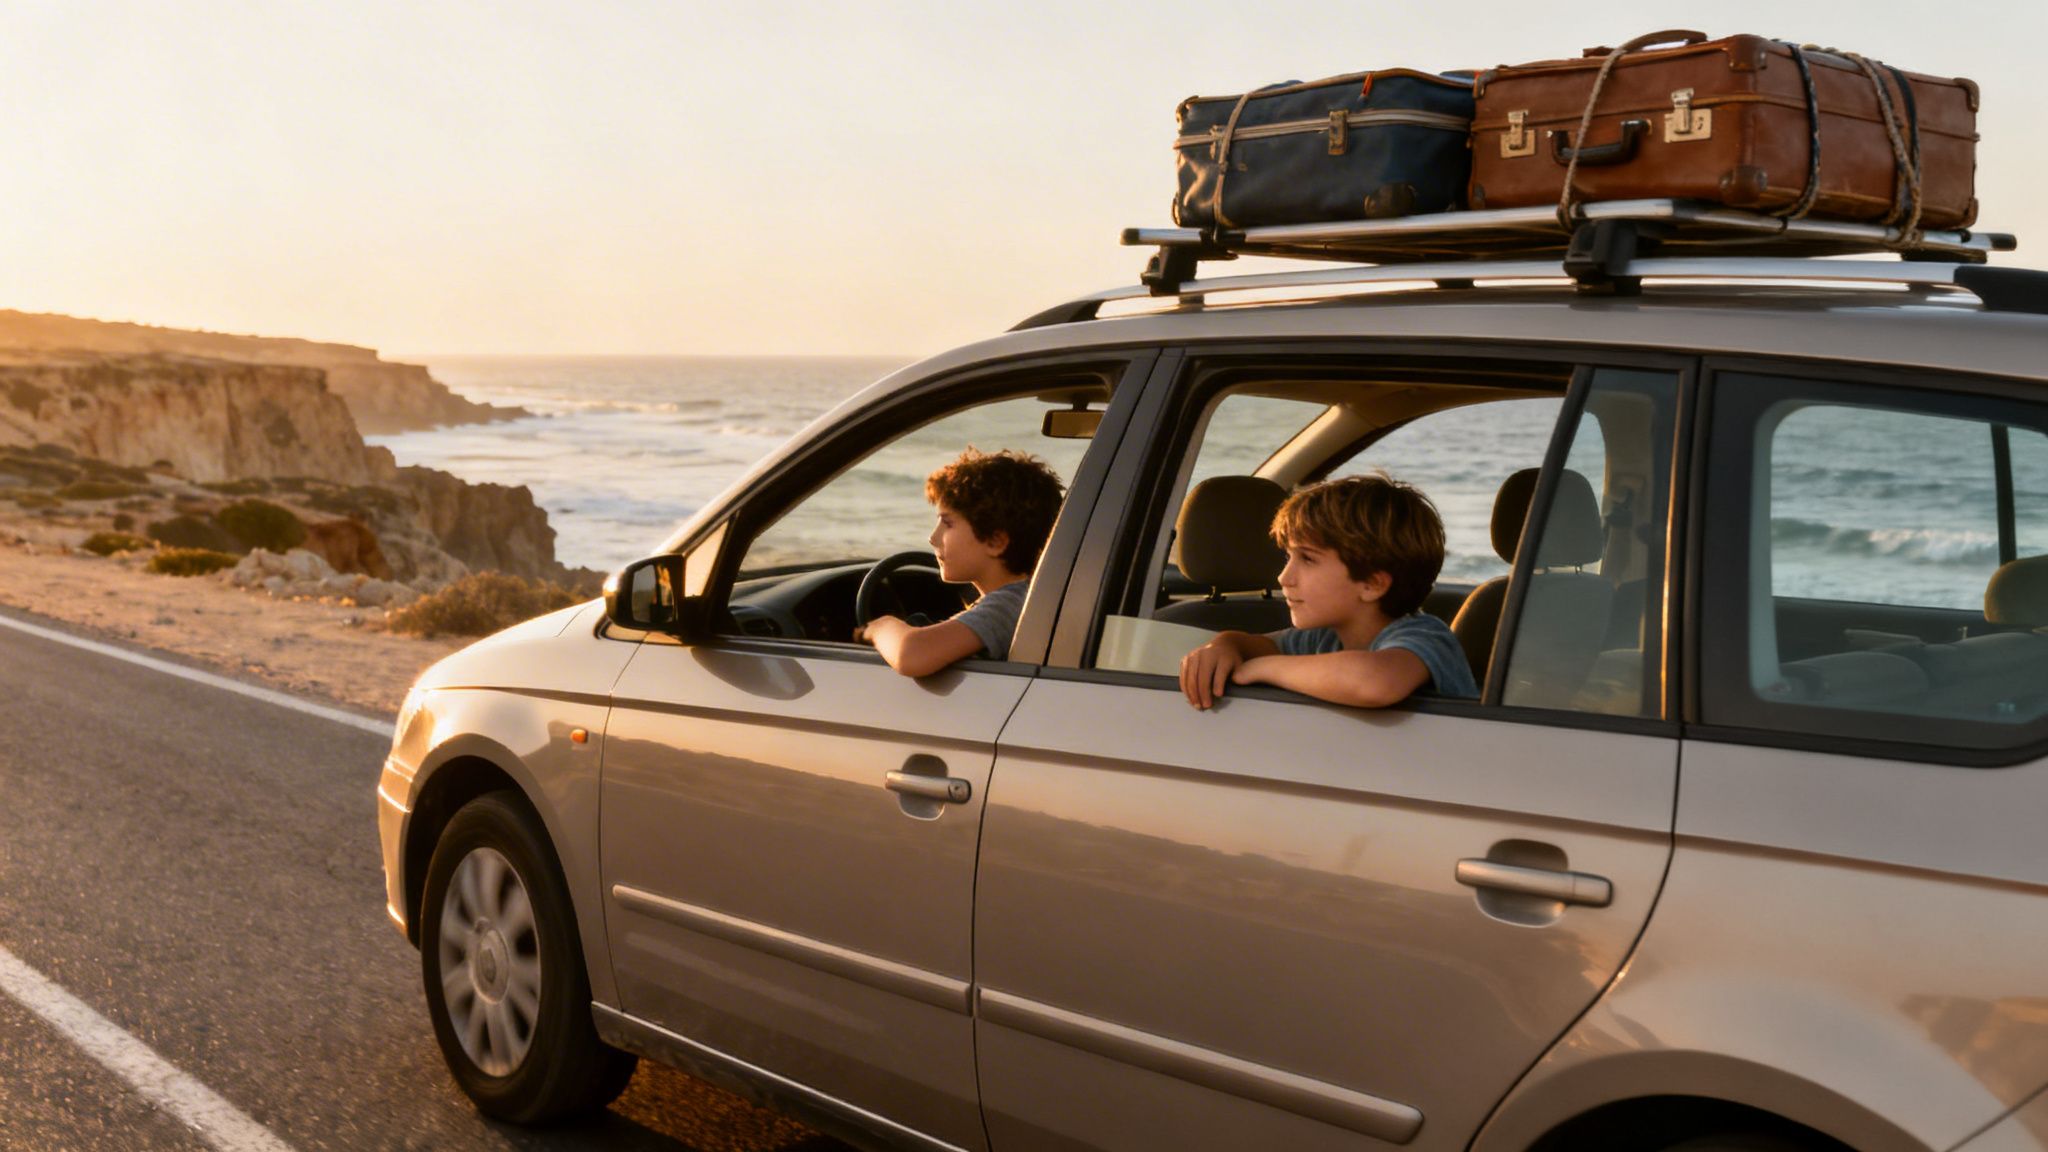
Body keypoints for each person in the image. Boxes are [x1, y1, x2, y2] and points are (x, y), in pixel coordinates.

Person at [1180, 472, 1478, 709]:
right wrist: (1224, 645)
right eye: (1288, 557)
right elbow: (1250, 644)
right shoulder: (1326, 636)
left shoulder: (1425, 636)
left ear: (1372, 585)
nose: (1284, 577)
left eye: (1307, 559)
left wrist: (1262, 668)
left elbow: (1375, 682)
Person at [859, 447, 1064, 676]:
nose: (933, 537)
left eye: (947, 524)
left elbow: (912, 655)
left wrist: (879, 628)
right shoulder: (1030, 595)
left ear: (995, 542)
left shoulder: (1012, 604)